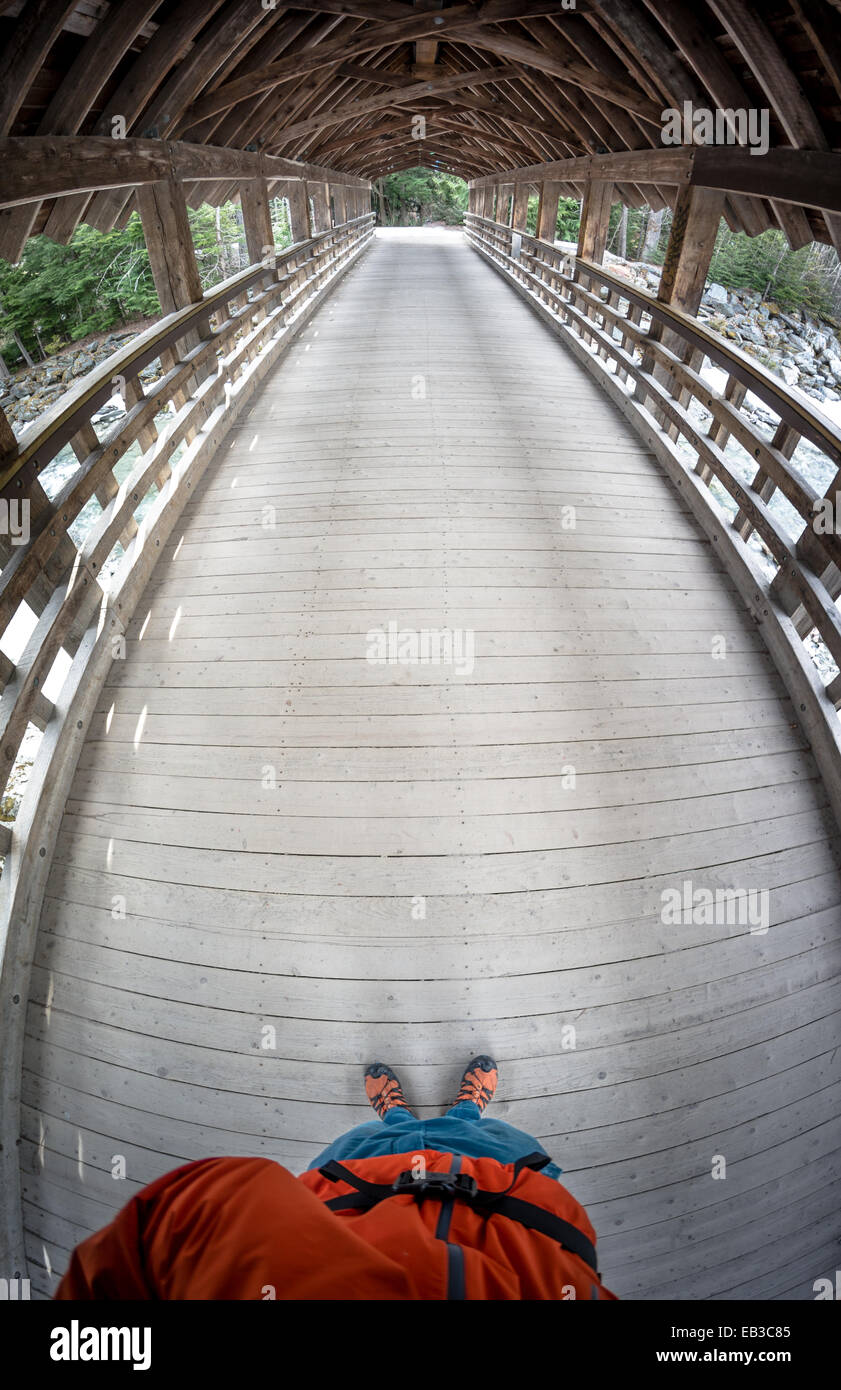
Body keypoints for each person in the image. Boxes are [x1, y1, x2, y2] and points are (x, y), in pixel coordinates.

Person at [55, 1056, 617, 1301]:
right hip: (507, 1191)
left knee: (378, 1138)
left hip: (353, 1186)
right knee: (475, 1130)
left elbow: (162, 1234)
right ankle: (465, 1108)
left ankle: (396, 1114)